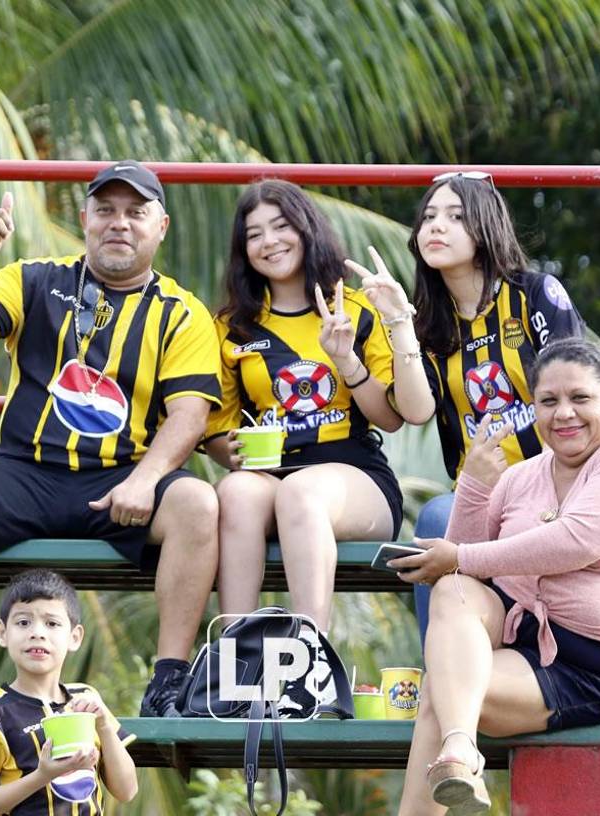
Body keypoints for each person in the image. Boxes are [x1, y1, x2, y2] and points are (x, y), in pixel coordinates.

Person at [0, 161, 222, 718]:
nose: (120, 224)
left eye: (136, 213)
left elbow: (190, 415)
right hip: (25, 472)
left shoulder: (182, 312)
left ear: (160, 226)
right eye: (106, 211)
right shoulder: (34, 278)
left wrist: (144, 481)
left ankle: (168, 685)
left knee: (196, 502)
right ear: (85, 218)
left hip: (122, 478)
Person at [390, 337, 600, 814]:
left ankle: (456, 750)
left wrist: (461, 558)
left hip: (593, 667)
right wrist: (474, 486)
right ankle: (459, 750)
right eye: (549, 401)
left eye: (580, 398)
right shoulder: (522, 477)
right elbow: (462, 567)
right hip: (519, 647)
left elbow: (577, 542)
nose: (564, 414)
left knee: (443, 686)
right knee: (456, 592)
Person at [203, 179, 428, 715]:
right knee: (233, 492)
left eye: (281, 226)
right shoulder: (233, 328)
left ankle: (311, 671)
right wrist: (226, 452)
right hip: (269, 474)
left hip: (353, 476)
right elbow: (216, 427)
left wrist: (346, 360)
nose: (270, 241)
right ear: (243, 250)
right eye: (254, 233)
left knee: (301, 493)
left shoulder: (352, 309)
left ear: (307, 230)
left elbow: (392, 418)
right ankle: (238, 672)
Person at [402, 171, 585, 640]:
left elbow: (581, 391)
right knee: (436, 520)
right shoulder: (425, 326)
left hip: (553, 484)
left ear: (485, 226)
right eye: (428, 217)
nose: (436, 227)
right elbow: (417, 411)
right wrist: (396, 326)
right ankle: (443, 683)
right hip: (477, 495)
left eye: (455, 217)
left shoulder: (533, 295)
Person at [0, 569, 137, 814]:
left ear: (75, 637)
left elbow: (127, 790)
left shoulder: (86, 699)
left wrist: (103, 726)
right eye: (23, 622)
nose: (37, 633)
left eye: (52, 623)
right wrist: (42, 776)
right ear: (3, 633)